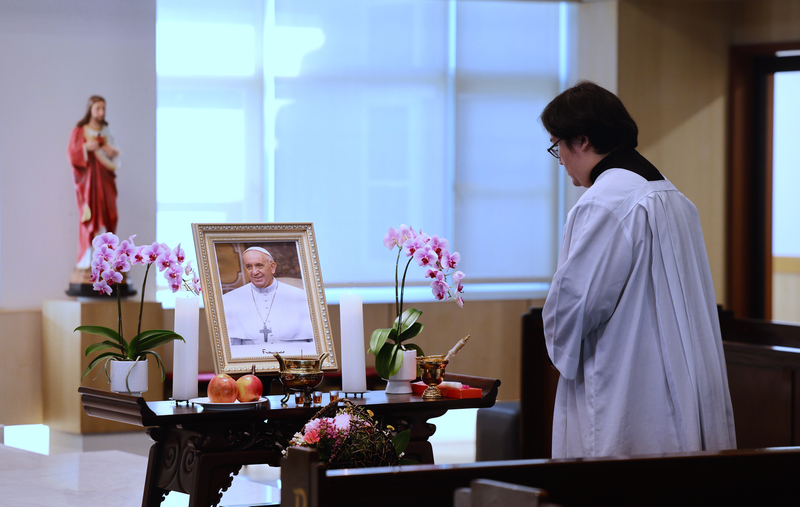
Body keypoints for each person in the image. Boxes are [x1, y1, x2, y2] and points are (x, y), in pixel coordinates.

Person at [539, 81, 736, 458]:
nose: (560, 159)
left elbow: (575, 304)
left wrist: (558, 344)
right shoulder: (672, 196)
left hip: (626, 389)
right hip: (685, 380)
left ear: (580, 140)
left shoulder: (604, 201)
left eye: (557, 146)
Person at [222, 247, 315, 354]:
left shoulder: (300, 297)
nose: (254, 272)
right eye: (249, 266)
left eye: (259, 265)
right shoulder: (230, 299)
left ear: (272, 267)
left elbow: (311, 345)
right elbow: (230, 349)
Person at [68, 95, 121, 268]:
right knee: (91, 215)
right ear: (90, 109)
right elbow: (72, 154)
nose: (101, 112)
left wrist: (113, 153)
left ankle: (107, 259)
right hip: (89, 183)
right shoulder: (80, 131)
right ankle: (89, 261)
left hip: (105, 180)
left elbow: (113, 155)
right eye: (98, 108)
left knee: (109, 213)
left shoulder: (107, 131)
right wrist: (85, 148)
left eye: (103, 108)